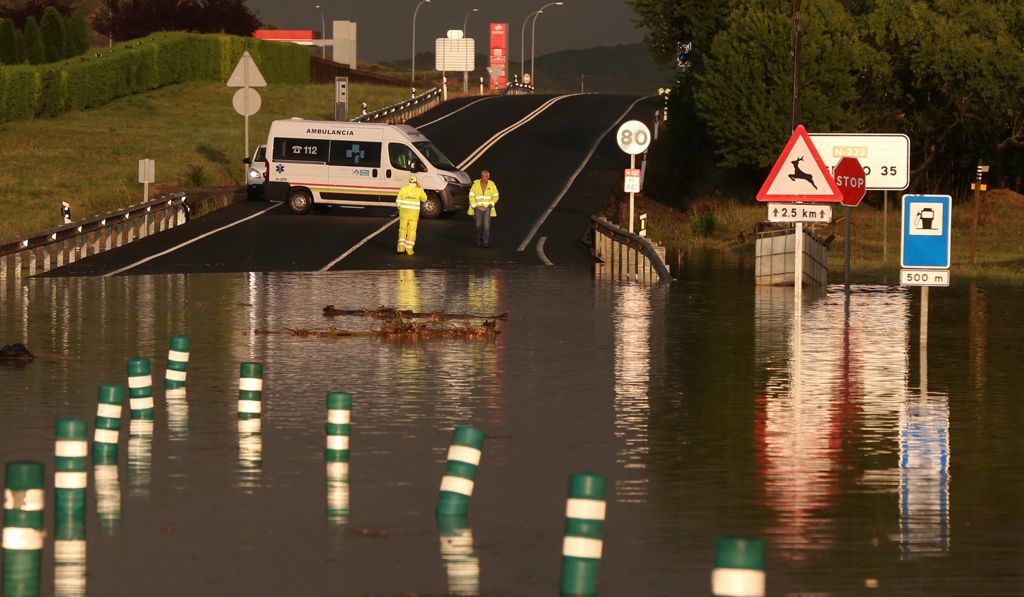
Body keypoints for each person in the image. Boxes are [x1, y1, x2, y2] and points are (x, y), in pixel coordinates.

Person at [396, 175, 427, 255]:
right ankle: (409, 250)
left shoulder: (403, 189)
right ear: (416, 181)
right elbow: (424, 198)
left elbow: (398, 202)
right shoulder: (419, 189)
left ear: (409, 180)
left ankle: (401, 248)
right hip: (414, 215)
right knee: (412, 232)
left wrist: (401, 209)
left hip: (404, 214)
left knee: (402, 230)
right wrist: (421, 188)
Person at [467, 170, 499, 247]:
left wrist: (491, 204)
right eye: (484, 176)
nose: (485, 178)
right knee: (478, 225)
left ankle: (485, 242)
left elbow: (496, 196)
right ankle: (478, 239)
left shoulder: (492, 185)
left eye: (486, 176)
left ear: (488, 177)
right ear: (481, 176)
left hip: (487, 208)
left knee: (486, 225)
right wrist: (474, 206)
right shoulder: (475, 185)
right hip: (478, 208)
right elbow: (471, 195)